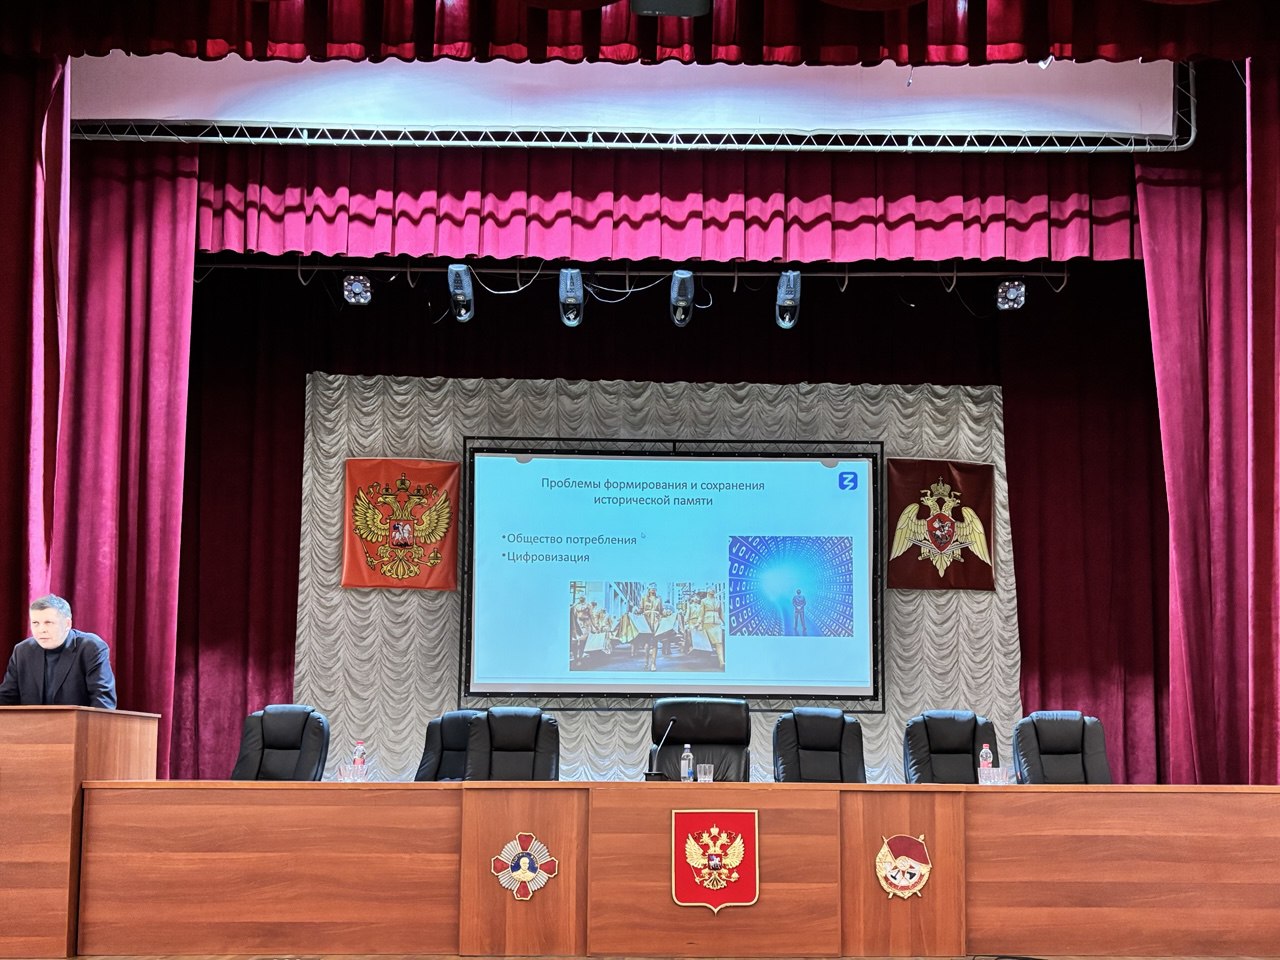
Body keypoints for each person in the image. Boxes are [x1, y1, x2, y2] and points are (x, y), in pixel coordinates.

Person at [0, 594, 117, 708]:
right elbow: (6, 698)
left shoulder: (91, 648)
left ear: (67, 624)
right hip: (31, 721)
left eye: (48, 623)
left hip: (78, 721)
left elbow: (103, 702)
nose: (41, 630)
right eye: (35, 623)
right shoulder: (22, 651)